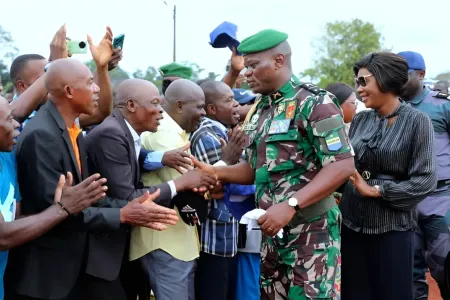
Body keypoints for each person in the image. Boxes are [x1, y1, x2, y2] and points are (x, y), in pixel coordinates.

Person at [191, 29, 355, 300]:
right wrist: (217, 172)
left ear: (279, 60)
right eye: (246, 67)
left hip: (312, 232)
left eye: (254, 65)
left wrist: (290, 206)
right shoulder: (261, 109)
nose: (246, 73)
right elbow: (256, 168)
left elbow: (342, 165)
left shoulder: (315, 102)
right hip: (272, 233)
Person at [5, 58, 180, 300]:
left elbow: (86, 198)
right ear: (68, 91)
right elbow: (56, 213)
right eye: (90, 83)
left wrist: (129, 207)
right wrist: (122, 214)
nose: (97, 88)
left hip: (72, 267)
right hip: (46, 277)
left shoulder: (71, 129)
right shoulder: (42, 136)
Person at [85, 78, 217, 300]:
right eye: (155, 103)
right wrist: (181, 183)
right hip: (115, 246)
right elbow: (129, 199)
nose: (161, 111)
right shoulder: (112, 133)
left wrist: (162, 158)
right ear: (131, 105)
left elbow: (136, 157)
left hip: (142, 243)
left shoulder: (124, 132)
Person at [339, 52, 437, 300]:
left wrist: (377, 190)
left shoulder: (418, 121)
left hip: (392, 228)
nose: (358, 89)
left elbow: (425, 179)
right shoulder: (361, 120)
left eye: (363, 81)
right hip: (352, 225)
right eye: (357, 82)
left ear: (384, 79)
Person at [0, 95, 110, 299]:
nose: (17, 124)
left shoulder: (6, 156)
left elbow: (15, 220)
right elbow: (3, 236)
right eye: (8, 120)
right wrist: (61, 209)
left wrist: (61, 207)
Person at [130, 79, 209, 300]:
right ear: (180, 105)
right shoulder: (163, 133)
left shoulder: (177, 133)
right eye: (200, 106)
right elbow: (192, 186)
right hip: (165, 244)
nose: (204, 113)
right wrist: (220, 170)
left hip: (177, 243)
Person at [398, 50, 450, 300]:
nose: (396, 80)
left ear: (421, 74)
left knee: (444, 266)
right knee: (408, 272)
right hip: (405, 200)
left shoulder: (442, 106)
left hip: (441, 199)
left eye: (403, 75)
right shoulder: (390, 109)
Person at [191, 80, 248, 300]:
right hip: (214, 238)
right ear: (212, 109)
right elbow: (214, 185)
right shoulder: (208, 135)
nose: (236, 105)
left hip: (227, 235)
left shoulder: (225, 132)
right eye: (229, 100)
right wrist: (230, 163)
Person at [9, 25, 121, 128]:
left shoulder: (58, 112)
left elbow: (100, 112)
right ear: (22, 85)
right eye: (45, 75)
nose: (49, 80)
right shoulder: (6, 113)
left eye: (48, 72)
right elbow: (14, 114)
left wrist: (102, 67)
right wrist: (55, 65)